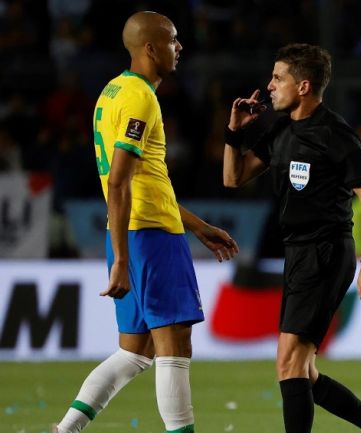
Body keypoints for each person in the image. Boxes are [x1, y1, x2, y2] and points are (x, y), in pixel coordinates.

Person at [54, 11, 239, 433]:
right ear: (151, 48)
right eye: (173, 40)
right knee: (175, 347)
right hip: (149, 237)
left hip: (138, 231)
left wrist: (195, 224)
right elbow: (118, 182)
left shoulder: (112, 92)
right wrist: (122, 258)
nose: (180, 47)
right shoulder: (140, 98)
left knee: (135, 353)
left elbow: (143, 181)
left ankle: (65, 430)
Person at [221, 43, 361, 433]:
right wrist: (234, 133)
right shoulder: (281, 129)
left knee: (289, 364)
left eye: (279, 78)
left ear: (304, 86)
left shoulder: (334, 133)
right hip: (296, 254)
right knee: (303, 372)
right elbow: (233, 178)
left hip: (326, 252)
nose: (270, 85)